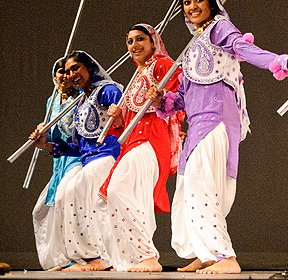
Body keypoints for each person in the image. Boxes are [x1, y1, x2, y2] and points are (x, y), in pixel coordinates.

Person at [146, 0, 288, 274]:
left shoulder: (219, 28)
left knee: (201, 186)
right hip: (198, 123)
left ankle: (224, 256)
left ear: (211, 2)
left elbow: (244, 49)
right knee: (191, 187)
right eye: (187, 2)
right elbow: (182, 97)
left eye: (199, 0)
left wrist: (283, 61)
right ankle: (206, 253)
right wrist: (162, 99)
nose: (193, 6)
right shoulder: (193, 45)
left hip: (216, 117)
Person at [98, 24, 183, 272]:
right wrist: (117, 118)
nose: (134, 45)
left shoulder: (162, 65)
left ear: (153, 41)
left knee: (118, 190)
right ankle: (132, 258)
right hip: (133, 142)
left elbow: (180, 97)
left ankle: (147, 255)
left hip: (151, 141)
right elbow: (127, 123)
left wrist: (160, 97)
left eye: (140, 39)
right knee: (133, 199)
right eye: (129, 41)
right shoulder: (137, 75)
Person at [32, 51, 123, 271]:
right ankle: (82, 257)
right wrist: (47, 145)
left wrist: (119, 118)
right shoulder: (82, 102)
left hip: (108, 155)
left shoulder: (108, 90)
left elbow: (126, 121)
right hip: (88, 158)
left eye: (76, 68)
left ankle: (94, 257)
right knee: (64, 194)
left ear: (89, 68)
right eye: (69, 70)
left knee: (75, 190)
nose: (72, 74)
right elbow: (78, 146)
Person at [31, 57, 82, 270]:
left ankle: (79, 257)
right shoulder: (52, 101)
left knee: (66, 201)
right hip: (60, 162)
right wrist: (41, 136)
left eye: (67, 71)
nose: (63, 75)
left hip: (78, 158)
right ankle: (58, 260)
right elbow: (52, 138)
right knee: (41, 210)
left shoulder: (82, 99)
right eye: (59, 71)